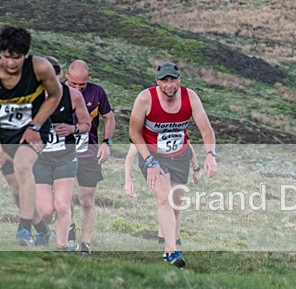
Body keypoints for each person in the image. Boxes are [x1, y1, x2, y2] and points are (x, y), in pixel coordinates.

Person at [129, 62, 217, 267]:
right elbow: (134, 132)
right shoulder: (145, 98)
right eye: (164, 80)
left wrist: (211, 154)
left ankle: (171, 241)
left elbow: (206, 130)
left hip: (179, 155)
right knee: (164, 198)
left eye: (173, 79)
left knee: (176, 202)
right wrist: (149, 160)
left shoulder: (190, 97)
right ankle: (172, 252)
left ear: (179, 79)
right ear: (157, 81)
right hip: (152, 155)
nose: (169, 85)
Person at [0, 26, 63, 245]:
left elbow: (55, 95)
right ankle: (42, 229)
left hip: (34, 129)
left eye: (16, 58)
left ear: (26, 54)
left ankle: (24, 231)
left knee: (23, 166)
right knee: (17, 189)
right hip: (4, 132)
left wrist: (35, 126)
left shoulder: (40, 68)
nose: (10, 63)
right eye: (6, 57)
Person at [34, 57, 91, 249]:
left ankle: (62, 247)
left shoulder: (73, 95)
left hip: (65, 157)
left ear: (60, 74)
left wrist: (72, 128)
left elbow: (86, 125)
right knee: (46, 210)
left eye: (54, 72)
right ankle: (43, 234)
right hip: (39, 159)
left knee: (62, 206)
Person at [64, 59, 115, 254]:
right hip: (62, 153)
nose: (77, 88)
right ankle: (69, 232)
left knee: (86, 200)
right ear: (65, 76)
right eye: (73, 84)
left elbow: (109, 117)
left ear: (89, 79)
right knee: (63, 197)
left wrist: (107, 142)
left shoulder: (97, 92)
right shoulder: (55, 91)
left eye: (82, 85)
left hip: (88, 153)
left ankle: (85, 243)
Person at [125, 142, 202, 245]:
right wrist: (128, 180)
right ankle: (164, 241)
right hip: (155, 161)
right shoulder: (147, 128)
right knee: (165, 199)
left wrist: (196, 169)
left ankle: (176, 240)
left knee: (176, 205)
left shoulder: (176, 126)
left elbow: (187, 143)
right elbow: (130, 155)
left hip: (180, 161)